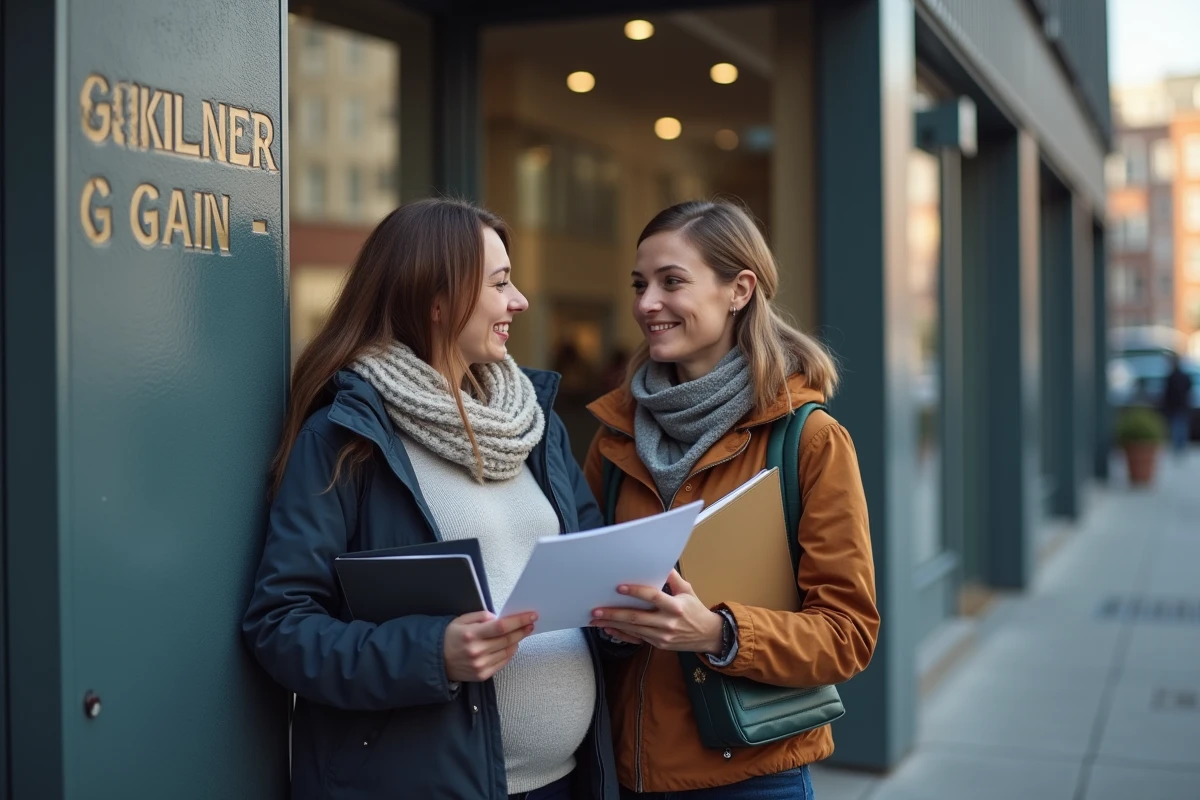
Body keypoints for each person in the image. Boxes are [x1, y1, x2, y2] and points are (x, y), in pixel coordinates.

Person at [243, 198, 619, 800]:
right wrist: (431, 654)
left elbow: (592, 564)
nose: (519, 301)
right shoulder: (346, 439)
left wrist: (627, 606)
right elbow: (281, 626)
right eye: (500, 283)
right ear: (435, 301)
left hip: (566, 783)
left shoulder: (532, 426)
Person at [584, 200, 879, 798]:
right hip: (623, 773)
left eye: (672, 282)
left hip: (752, 776)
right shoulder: (614, 438)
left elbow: (848, 634)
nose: (647, 304)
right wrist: (611, 627)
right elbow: (582, 595)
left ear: (739, 290)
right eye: (640, 285)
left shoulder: (809, 439)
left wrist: (719, 634)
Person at [1162, 352, 1194, 457]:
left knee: (1177, 427)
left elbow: (1167, 393)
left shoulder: (1172, 377)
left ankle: (1178, 448)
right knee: (1181, 427)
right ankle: (1181, 448)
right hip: (1182, 405)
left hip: (1176, 406)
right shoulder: (1183, 376)